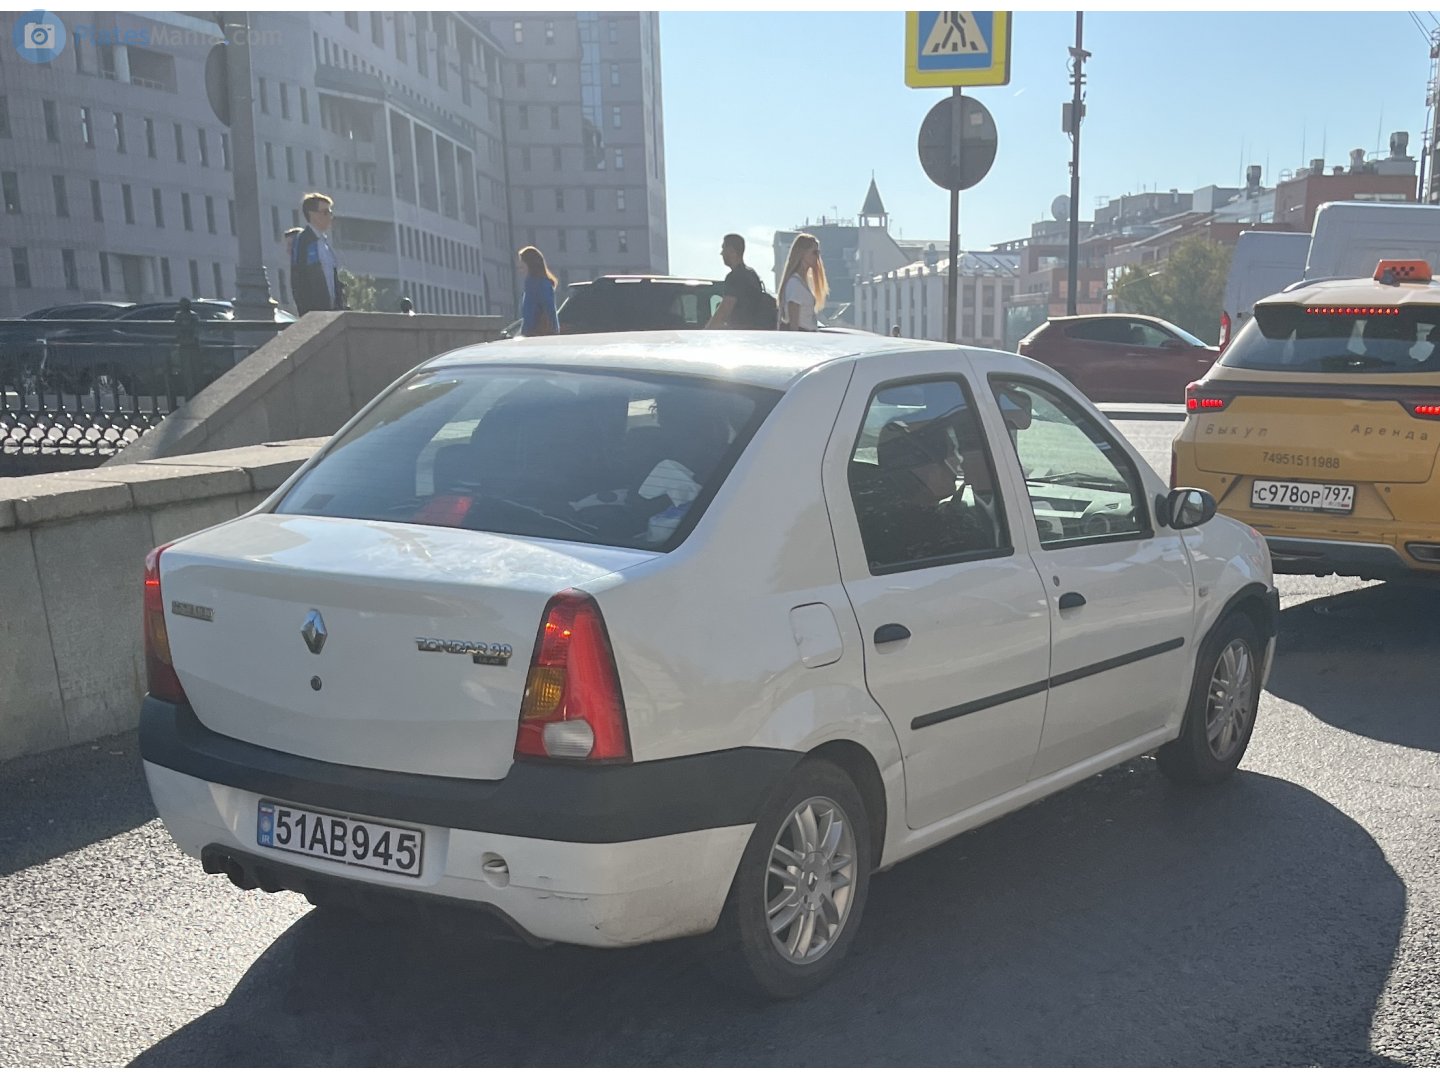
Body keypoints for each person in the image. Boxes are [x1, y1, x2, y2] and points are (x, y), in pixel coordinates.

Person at [290, 193, 346, 315]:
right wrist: (307, 313)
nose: (330, 217)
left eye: (330, 213)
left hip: (332, 313)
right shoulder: (303, 241)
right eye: (325, 212)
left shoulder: (325, 244)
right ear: (312, 214)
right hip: (315, 315)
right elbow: (298, 279)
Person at [705, 233, 766, 329]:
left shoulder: (735, 277)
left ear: (732, 251)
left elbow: (723, 312)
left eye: (723, 248)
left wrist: (705, 333)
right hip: (756, 333)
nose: (721, 253)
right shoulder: (752, 275)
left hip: (739, 336)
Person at [776, 232, 827, 331]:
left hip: (807, 335)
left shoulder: (801, 283)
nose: (817, 257)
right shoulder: (794, 284)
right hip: (803, 335)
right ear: (802, 253)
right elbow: (793, 324)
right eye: (814, 252)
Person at [518, 245, 560, 336]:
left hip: (535, 332)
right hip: (540, 331)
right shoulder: (542, 282)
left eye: (522, 262)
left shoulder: (535, 283)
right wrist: (555, 328)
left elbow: (532, 311)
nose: (520, 265)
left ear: (529, 263)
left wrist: (525, 331)